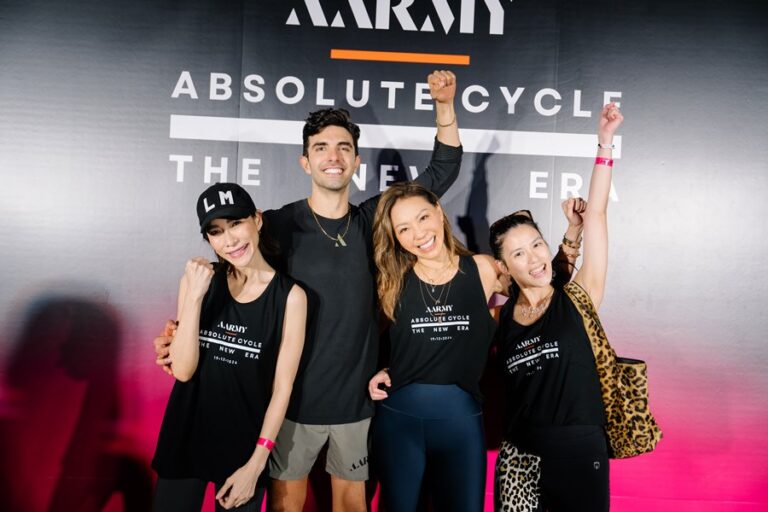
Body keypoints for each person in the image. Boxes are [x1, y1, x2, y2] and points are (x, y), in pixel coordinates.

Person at [156, 70, 463, 512]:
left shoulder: (372, 220)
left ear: (356, 161)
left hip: (355, 401)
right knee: (284, 506)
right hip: (287, 404)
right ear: (305, 162)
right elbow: (231, 272)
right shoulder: (277, 224)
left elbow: (442, 170)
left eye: (343, 148)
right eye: (320, 148)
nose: (332, 156)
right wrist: (181, 329)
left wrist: (445, 107)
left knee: (352, 506)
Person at [488, 103, 623, 511]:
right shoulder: (499, 318)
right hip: (519, 458)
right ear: (504, 267)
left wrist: (605, 142)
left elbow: (597, 214)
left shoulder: (578, 298)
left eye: (536, 244)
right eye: (518, 254)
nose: (534, 258)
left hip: (580, 452)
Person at [152, 183, 306, 511]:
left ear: (257, 220)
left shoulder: (291, 297)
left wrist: (257, 463)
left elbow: (282, 388)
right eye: (216, 231)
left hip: (242, 447)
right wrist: (195, 296)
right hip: (186, 435)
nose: (230, 240)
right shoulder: (198, 281)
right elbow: (183, 370)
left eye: (236, 223)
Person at [366, 181, 500, 511]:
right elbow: (360, 338)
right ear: (396, 237)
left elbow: (540, 291)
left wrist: (572, 239)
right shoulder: (390, 281)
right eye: (404, 229)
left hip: (462, 423)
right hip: (399, 421)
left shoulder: (483, 269)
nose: (418, 234)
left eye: (423, 217)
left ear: (439, 213)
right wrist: (378, 370)